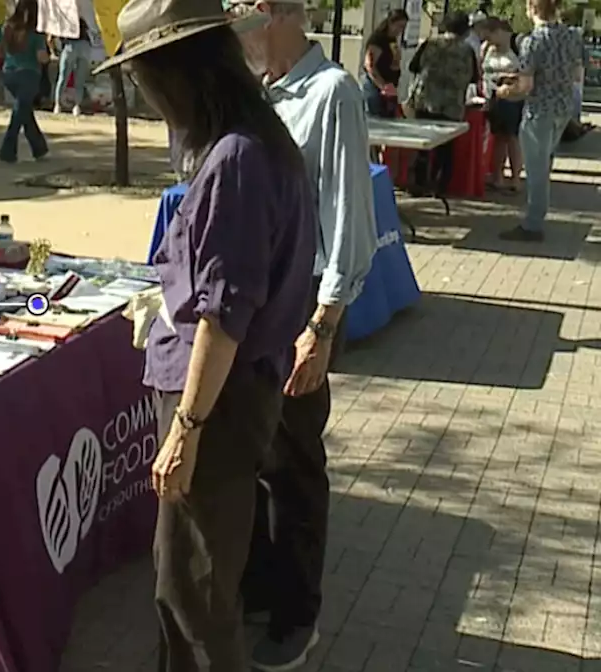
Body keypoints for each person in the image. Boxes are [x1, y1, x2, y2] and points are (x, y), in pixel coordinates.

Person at [93, 0, 316, 667]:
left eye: (145, 79)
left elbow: (223, 316)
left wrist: (186, 428)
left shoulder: (237, 159)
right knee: (190, 580)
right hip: (233, 393)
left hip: (217, 404)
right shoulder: (256, 138)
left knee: (194, 593)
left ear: (177, 73)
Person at [231, 0, 377, 668]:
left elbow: (350, 221)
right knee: (255, 456)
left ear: (275, 13)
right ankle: (260, 585)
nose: (235, 31)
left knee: (293, 465)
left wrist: (322, 326)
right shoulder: (261, 93)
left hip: (300, 313)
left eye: (240, 14)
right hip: (255, 307)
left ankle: (298, 613)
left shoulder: (332, 93)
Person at [497, 0, 584, 242]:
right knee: (545, 163)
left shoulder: (532, 41)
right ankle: (536, 218)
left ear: (532, 8)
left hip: (539, 109)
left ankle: (533, 225)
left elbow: (526, 86)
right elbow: (576, 74)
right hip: (562, 108)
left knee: (536, 170)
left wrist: (505, 91)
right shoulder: (572, 36)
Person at [405, 12, 479, 195]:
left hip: (425, 100)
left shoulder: (430, 43)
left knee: (422, 144)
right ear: (465, 31)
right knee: (446, 148)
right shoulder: (467, 50)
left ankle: (418, 183)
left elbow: (413, 66)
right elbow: (474, 77)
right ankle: (440, 186)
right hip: (451, 105)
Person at [0, 0, 50, 163]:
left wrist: (10, 58)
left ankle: (40, 148)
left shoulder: (6, 27)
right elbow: (41, 57)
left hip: (9, 74)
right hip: (30, 75)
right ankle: (7, 151)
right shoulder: (36, 32)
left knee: (24, 111)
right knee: (19, 114)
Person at [480, 18, 525, 193]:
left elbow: (526, 71)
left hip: (513, 98)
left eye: (489, 36)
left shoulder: (517, 45)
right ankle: (497, 175)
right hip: (493, 97)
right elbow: (481, 69)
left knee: (512, 138)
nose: (487, 40)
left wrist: (509, 78)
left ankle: (515, 178)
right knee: (498, 137)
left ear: (499, 31)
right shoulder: (488, 48)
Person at [361, 9, 408, 118]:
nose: (400, 30)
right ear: (390, 23)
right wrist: (382, 86)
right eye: (398, 26)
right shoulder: (378, 40)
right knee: (376, 117)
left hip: (389, 85)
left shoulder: (392, 40)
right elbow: (370, 65)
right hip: (375, 86)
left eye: (403, 27)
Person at [53, 17, 94, 115]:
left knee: (63, 77)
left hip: (71, 44)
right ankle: (76, 106)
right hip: (83, 45)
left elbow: (56, 35)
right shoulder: (80, 18)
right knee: (78, 79)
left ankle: (58, 105)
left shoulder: (65, 17)